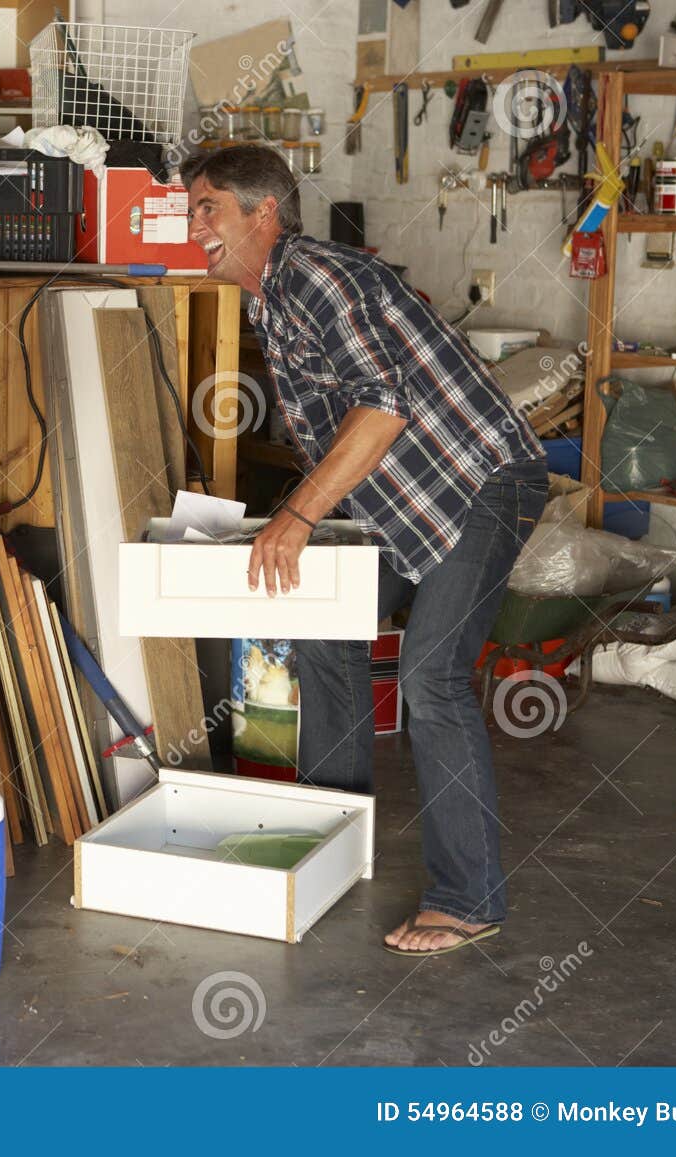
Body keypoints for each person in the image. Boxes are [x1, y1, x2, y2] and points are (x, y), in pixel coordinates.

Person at [181, 145, 548, 957]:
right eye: (192, 207)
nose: (194, 222)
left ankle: (468, 896)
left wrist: (301, 515)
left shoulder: (313, 275)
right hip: (401, 501)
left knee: (432, 674)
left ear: (262, 212)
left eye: (209, 206)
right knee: (323, 629)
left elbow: (380, 407)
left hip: (483, 481)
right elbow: (339, 428)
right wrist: (285, 515)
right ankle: (334, 843)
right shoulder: (269, 299)